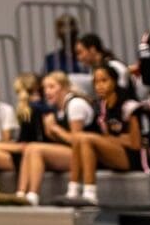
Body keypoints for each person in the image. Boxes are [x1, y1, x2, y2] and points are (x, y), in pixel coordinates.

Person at [14, 71, 97, 206]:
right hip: (72, 152)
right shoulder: (58, 108)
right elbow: (61, 141)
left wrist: (56, 129)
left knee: (35, 149)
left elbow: (77, 141)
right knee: (30, 147)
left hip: (87, 156)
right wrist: (50, 131)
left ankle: (33, 195)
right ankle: (21, 194)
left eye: (52, 87)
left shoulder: (75, 105)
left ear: (64, 87)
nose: (47, 92)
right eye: (45, 88)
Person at [65, 64, 144, 205]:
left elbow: (135, 144)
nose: (99, 86)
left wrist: (110, 139)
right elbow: (107, 137)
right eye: (96, 82)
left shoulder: (129, 106)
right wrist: (110, 139)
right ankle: (72, 191)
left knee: (86, 138)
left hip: (133, 157)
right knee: (79, 138)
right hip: (114, 152)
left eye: (104, 80)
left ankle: (90, 194)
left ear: (114, 81)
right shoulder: (102, 106)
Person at [75, 33, 136, 97]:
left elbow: (123, 92)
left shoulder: (114, 65)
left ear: (92, 49)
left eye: (80, 52)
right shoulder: (93, 69)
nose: (78, 58)